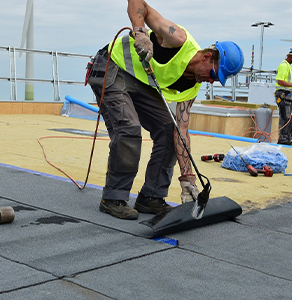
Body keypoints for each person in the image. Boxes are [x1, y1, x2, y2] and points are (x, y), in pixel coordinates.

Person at [87, 0, 244, 220]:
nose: (211, 81)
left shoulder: (192, 86)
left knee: (170, 131)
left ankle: (151, 197)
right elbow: (137, 2)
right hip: (111, 67)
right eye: (213, 75)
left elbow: (182, 130)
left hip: (139, 82)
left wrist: (187, 177)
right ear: (208, 56)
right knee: (129, 129)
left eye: (216, 80)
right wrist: (140, 32)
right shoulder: (177, 39)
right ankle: (113, 198)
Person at [274, 46, 292, 145]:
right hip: (282, 95)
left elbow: (287, 83)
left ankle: (287, 137)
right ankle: (283, 139)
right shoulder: (284, 65)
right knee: (286, 117)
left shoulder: (288, 66)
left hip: (287, 94)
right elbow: (280, 81)